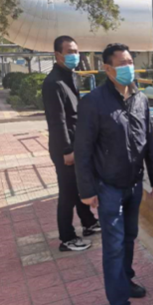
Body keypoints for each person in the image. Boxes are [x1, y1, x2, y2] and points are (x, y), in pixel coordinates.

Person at [74, 43, 153, 305]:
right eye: (122, 63)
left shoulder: (140, 98)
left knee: (129, 237)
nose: (128, 68)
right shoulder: (93, 102)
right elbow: (83, 150)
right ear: (107, 69)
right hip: (108, 187)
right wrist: (87, 190)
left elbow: (149, 139)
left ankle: (126, 280)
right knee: (113, 246)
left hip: (134, 184)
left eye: (130, 62)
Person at [42, 35, 100, 252]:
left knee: (77, 187)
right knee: (67, 193)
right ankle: (67, 238)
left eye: (76, 51)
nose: (74, 55)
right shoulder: (53, 83)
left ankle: (88, 223)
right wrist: (67, 151)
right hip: (64, 147)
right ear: (57, 55)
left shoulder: (70, 76)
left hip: (76, 142)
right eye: (69, 52)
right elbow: (57, 121)